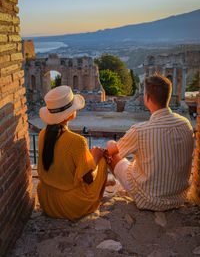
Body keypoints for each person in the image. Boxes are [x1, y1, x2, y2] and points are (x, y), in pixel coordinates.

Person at [105, 73, 194, 211]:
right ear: (168, 96)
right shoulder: (186, 124)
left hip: (147, 199)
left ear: (146, 98)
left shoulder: (140, 130)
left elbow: (112, 153)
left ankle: (127, 188)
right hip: (179, 197)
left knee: (111, 146)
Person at [37, 85, 107, 220]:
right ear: (71, 113)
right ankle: (98, 194)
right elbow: (89, 178)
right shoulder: (77, 141)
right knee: (102, 160)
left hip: (47, 201)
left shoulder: (42, 134)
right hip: (69, 205)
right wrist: (96, 157)